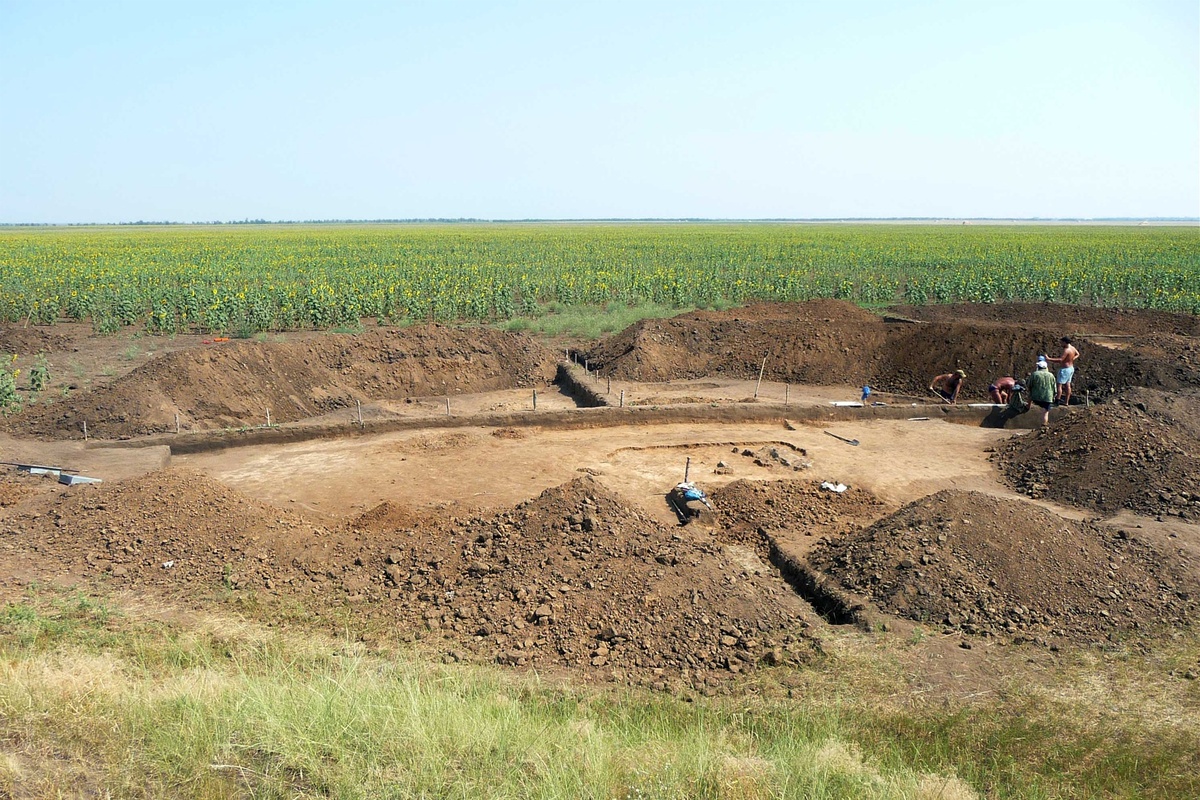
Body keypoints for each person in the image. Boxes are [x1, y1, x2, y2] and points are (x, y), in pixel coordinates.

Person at [1045, 336, 1080, 406]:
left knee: (1059, 385)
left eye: (1062, 342)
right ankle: (1066, 402)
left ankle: (1057, 401)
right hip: (1071, 368)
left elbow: (1061, 360)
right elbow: (1078, 354)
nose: (1061, 344)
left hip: (1065, 369)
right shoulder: (1072, 348)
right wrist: (1072, 359)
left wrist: (1049, 359)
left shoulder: (1066, 350)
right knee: (1068, 385)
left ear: (1065, 342)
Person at [1027, 357, 1056, 426]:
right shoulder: (1051, 375)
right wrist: (1053, 396)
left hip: (1036, 397)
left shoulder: (1035, 374)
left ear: (1039, 367)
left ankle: (1028, 406)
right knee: (1046, 412)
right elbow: (1054, 388)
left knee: (1030, 393)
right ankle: (1045, 424)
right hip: (1048, 398)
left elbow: (1029, 385)